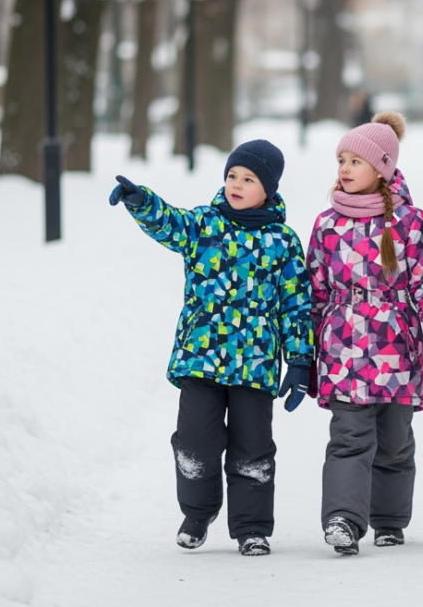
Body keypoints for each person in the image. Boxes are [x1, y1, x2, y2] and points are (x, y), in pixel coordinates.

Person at [108, 139, 315, 557]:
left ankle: (252, 528)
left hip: (255, 368)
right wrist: (140, 200)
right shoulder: (204, 225)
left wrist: (299, 360)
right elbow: (168, 222)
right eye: (232, 176)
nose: (236, 185)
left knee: (253, 451)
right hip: (200, 361)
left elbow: (296, 304)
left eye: (249, 179)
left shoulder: (283, 242)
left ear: (269, 189)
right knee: (194, 445)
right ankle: (198, 512)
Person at [305, 111, 423, 556]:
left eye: (355, 161)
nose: (344, 169)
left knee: (394, 441)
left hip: (396, 350)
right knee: (348, 437)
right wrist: (305, 353)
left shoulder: (410, 223)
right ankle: (343, 520)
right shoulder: (327, 224)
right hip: (342, 349)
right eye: (341, 160)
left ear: (383, 168)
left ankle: (389, 519)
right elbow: (313, 291)